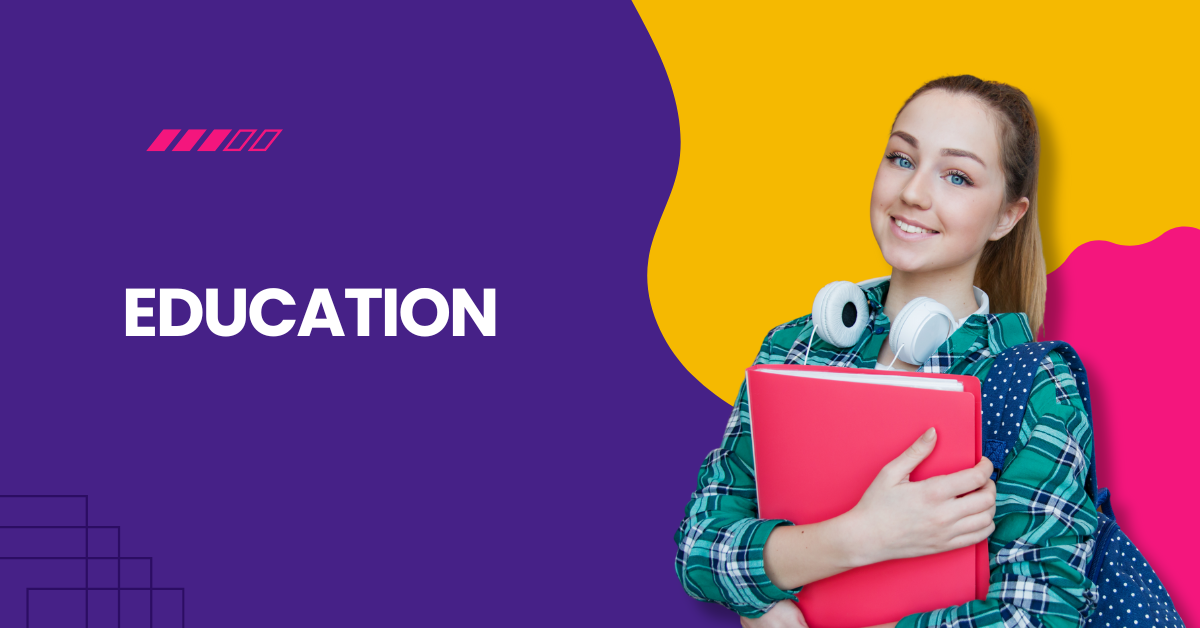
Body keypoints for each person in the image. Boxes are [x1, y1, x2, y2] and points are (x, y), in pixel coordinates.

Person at [674, 75, 1100, 628]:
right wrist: (858, 537)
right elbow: (698, 547)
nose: (914, 193)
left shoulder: (1037, 385)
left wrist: (775, 602)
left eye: (956, 176)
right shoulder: (795, 347)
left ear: (1006, 217)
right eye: (902, 158)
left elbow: (1040, 613)